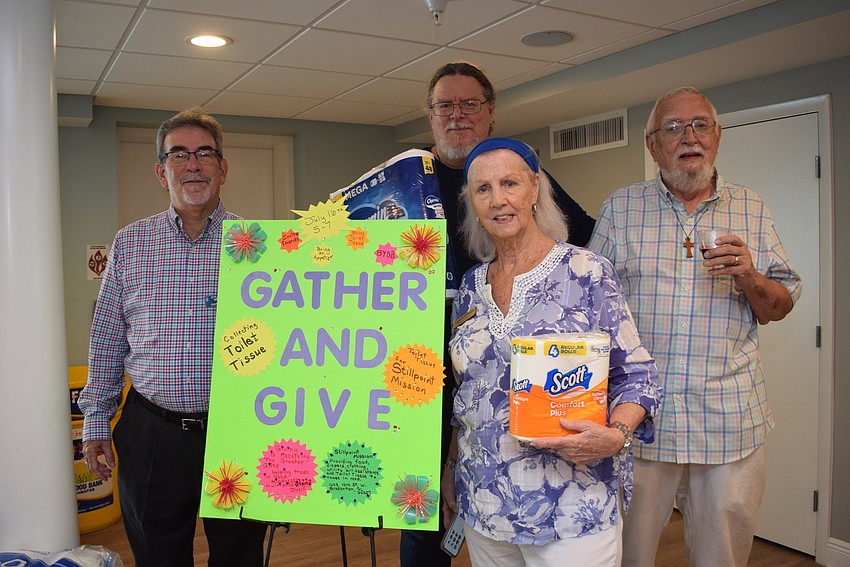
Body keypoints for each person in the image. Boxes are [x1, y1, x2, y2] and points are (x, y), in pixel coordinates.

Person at [587, 87, 802, 567]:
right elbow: (589, 309)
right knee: (627, 554)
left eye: (701, 125)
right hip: (641, 420)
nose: (689, 137)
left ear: (718, 137)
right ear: (653, 145)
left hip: (728, 422)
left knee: (721, 558)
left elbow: (779, 305)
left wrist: (749, 275)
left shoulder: (752, 208)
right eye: (673, 128)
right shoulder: (621, 209)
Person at [400, 62, 597, 566]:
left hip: (504, 368)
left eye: (470, 104)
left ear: (490, 114)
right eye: (446, 105)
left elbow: (587, 232)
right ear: (430, 115)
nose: (458, 114)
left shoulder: (513, 169)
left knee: (497, 481)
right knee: (424, 509)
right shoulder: (404, 181)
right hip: (417, 370)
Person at [441, 137, 663, 567]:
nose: (498, 200)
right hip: (485, 501)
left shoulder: (586, 272)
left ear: (535, 189)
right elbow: (466, 394)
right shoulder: (470, 286)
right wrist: (452, 467)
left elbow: (638, 376)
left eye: (510, 183)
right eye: (483, 189)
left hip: (571, 507)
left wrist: (615, 434)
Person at [78, 107, 268, 567]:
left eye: (205, 153)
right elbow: (107, 341)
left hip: (238, 431)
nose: (193, 164)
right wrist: (96, 421)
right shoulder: (130, 243)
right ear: (162, 172)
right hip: (152, 433)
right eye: (178, 155)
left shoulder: (259, 245)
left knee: (239, 557)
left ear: (222, 168)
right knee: (158, 554)